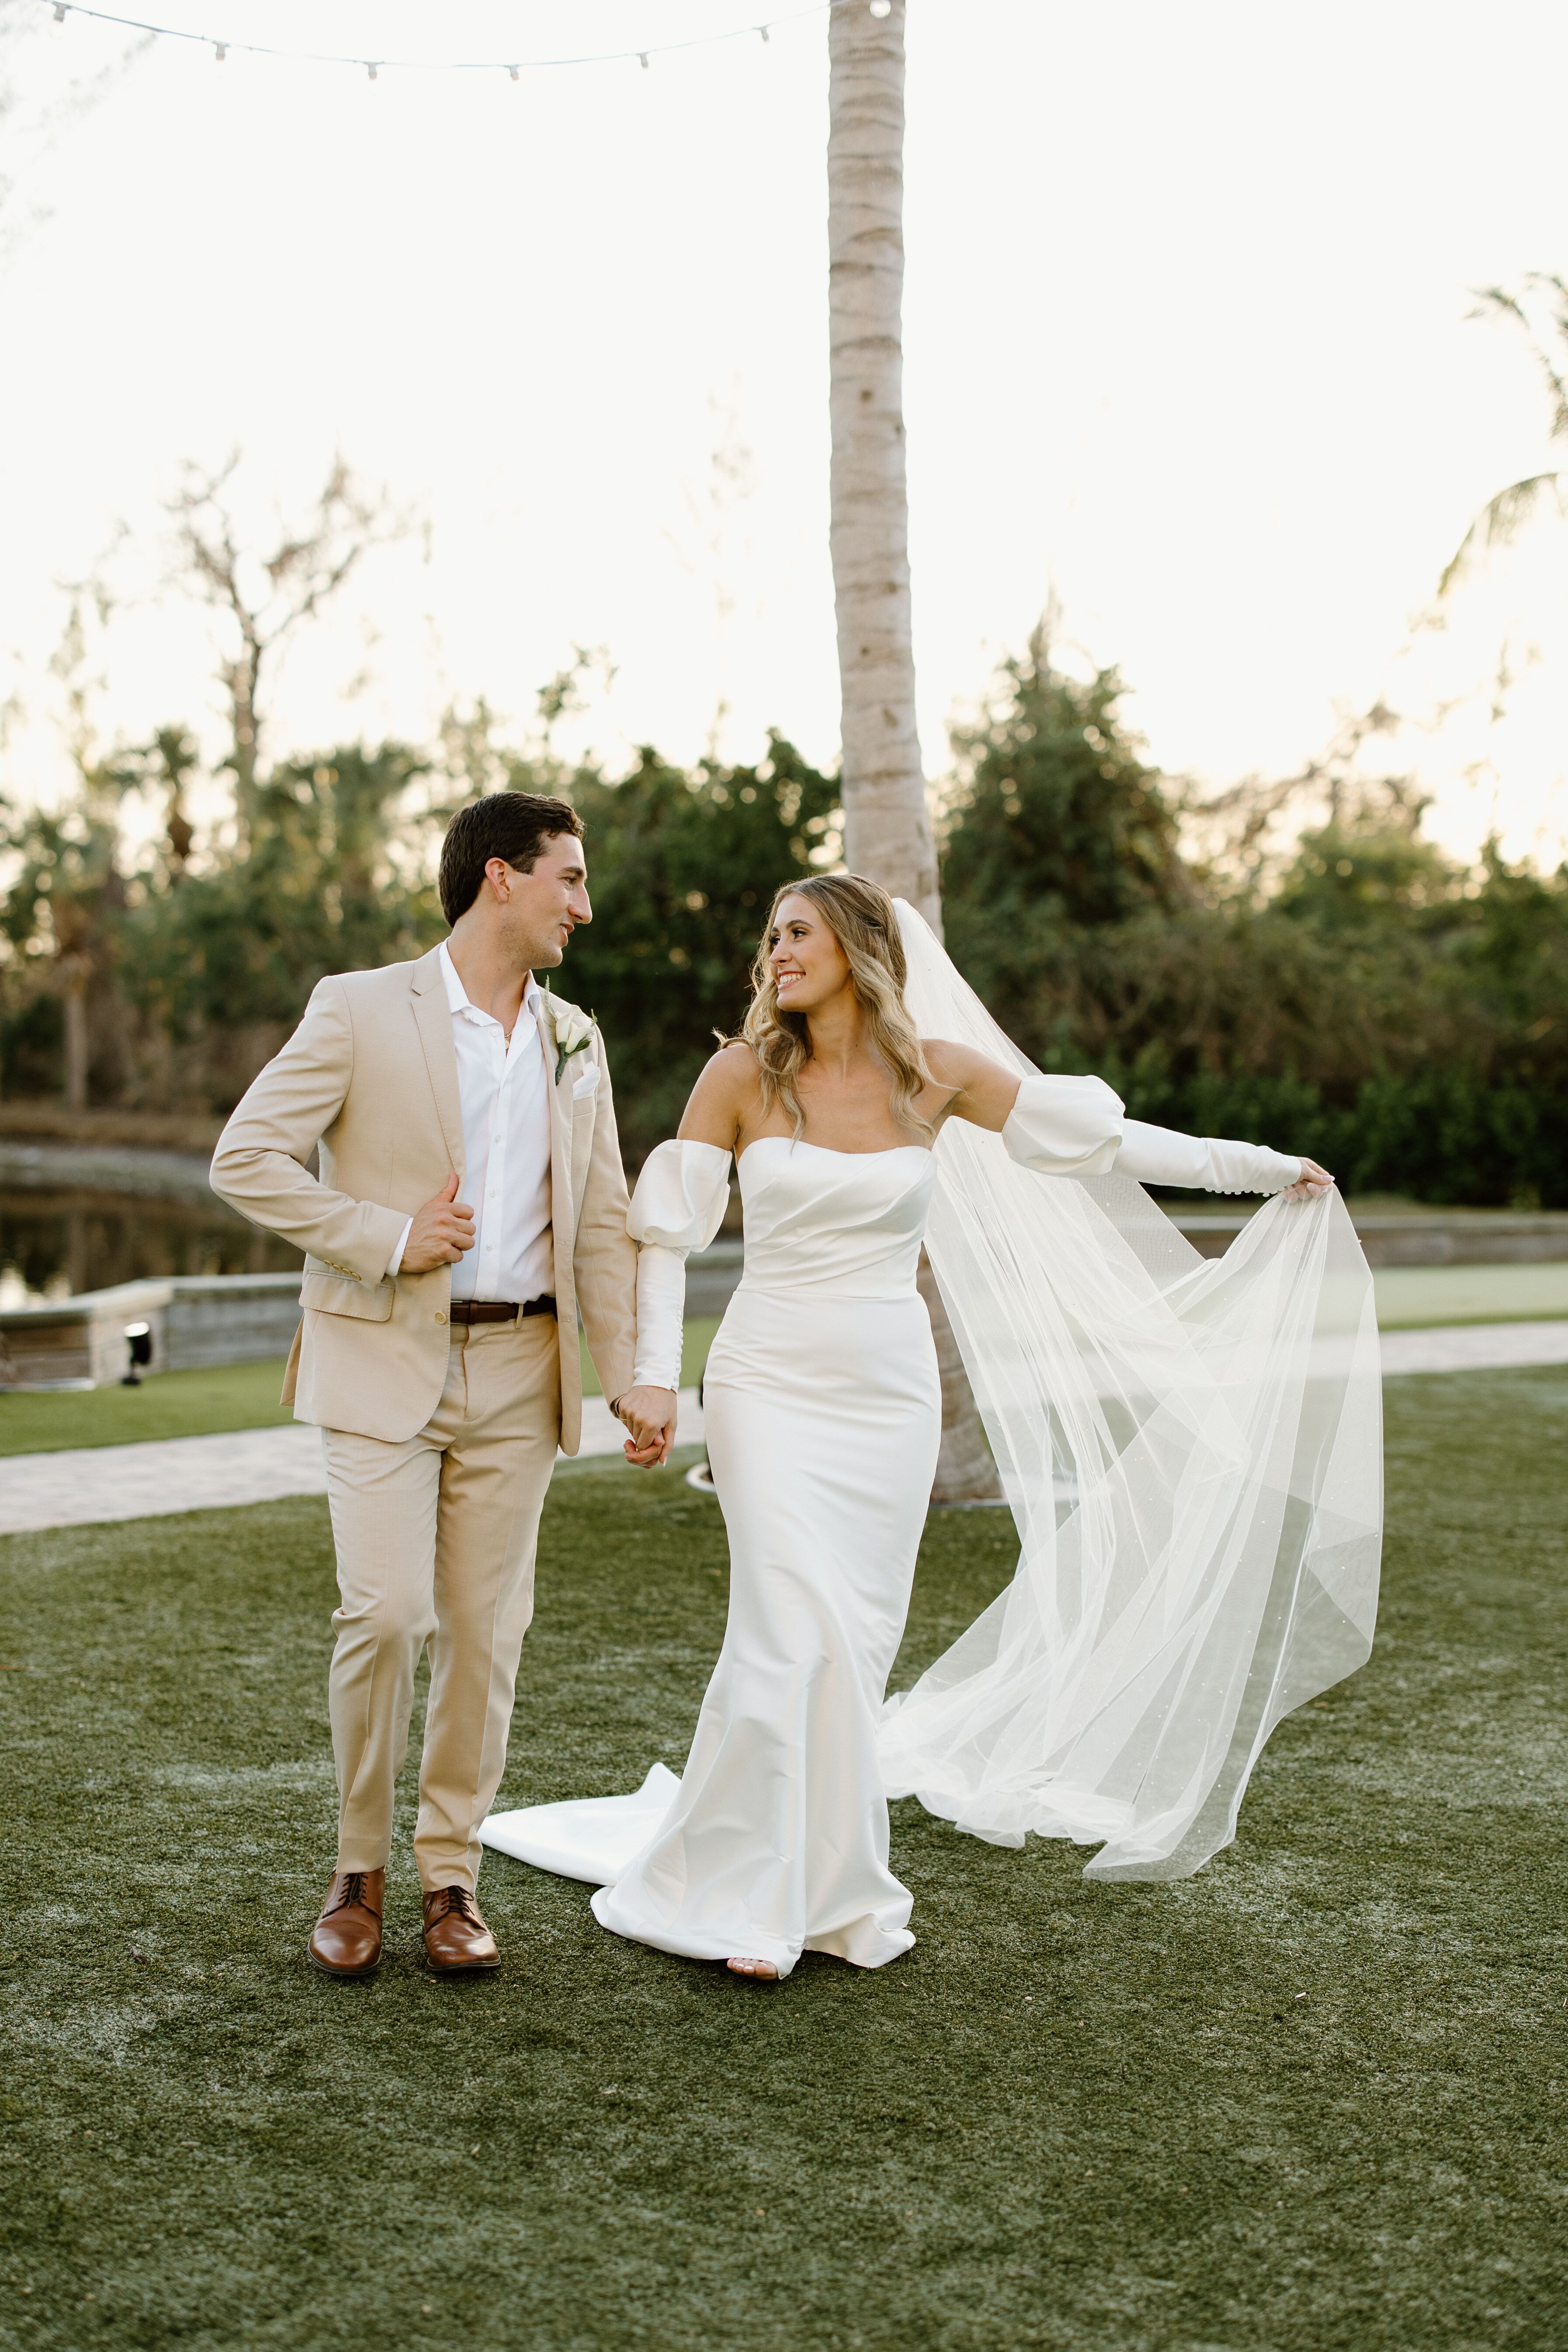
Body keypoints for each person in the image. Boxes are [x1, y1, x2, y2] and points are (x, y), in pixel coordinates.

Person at [482, 872, 1382, 1982]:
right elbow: (666, 1239)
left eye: (798, 933)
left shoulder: (935, 1078)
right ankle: (746, 1898)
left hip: (888, 1394)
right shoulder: (739, 1077)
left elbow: (1098, 1143)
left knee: (849, 1647)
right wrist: (657, 1381)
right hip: (766, 1383)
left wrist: (1257, 1171)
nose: (775, 953)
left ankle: (825, 1892)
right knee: (787, 1629)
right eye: (771, 937)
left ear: (860, 949)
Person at [210, 792, 678, 1979]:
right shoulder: (359, 1007)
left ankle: (449, 1873)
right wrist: (380, 1231)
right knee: (386, 1613)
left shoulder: (577, 1038)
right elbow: (245, 1157)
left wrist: (629, 1375)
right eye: (568, 877)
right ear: (498, 879)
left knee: (485, 1633)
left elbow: (604, 1217)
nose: (585, 902)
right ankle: (357, 1869)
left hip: (525, 1369)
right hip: (380, 1353)